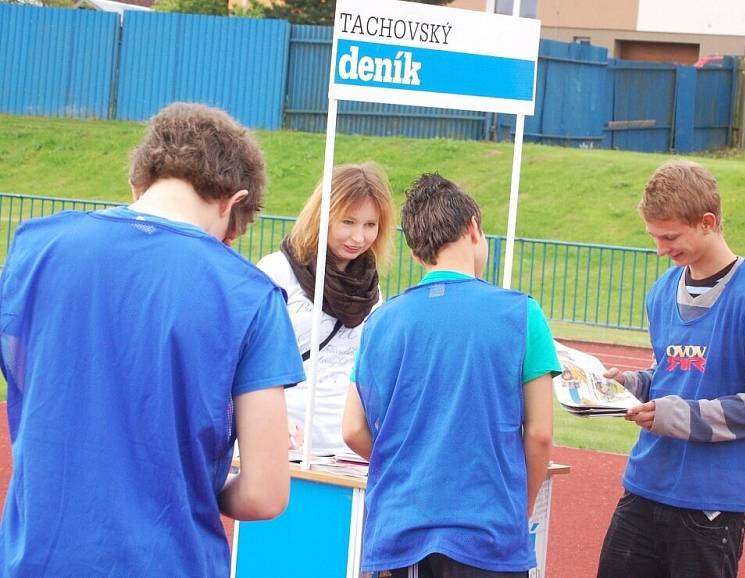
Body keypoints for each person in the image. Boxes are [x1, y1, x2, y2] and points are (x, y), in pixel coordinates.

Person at [0, 102, 306, 576]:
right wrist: (201, 486)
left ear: (138, 183)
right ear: (232, 200)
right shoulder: (250, 295)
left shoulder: (33, 250)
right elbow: (266, 494)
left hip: (37, 558)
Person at [343, 173, 561, 577]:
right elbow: (540, 434)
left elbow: (353, 428)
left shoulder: (382, 322)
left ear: (414, 252)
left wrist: (413, 460)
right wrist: (519, 508)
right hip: (488, 532)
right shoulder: (522, 314)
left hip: (400, 531)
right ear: (473, 227)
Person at [597, 160, 745, 578]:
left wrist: (679, 415)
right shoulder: (661, 291)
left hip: (710, 507)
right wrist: (627, 386)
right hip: (645, 486)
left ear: (707, 222)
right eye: (654, 237)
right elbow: (670, 376)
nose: (660, 249)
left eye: (669, 237)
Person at [257, 163, 395, 455]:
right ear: (323, 216)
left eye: (370, 225)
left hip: (345, 450)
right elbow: (246, 359)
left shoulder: (372, 288)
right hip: (283, 442)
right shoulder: (278, 272)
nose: (359, 237)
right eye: (348, 222)